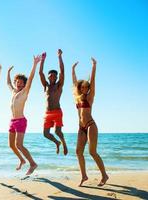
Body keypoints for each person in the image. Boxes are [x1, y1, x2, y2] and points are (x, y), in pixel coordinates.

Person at [72, 57, 108, 186]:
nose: (85, 88)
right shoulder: (77, 98)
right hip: (81, 127)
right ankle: (84, 176)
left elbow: (93, 81)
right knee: (78, 152)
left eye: (87, 87)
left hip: (90, 125)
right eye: (83, 87)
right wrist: (72, 70)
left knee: (92, 152)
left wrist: (94, 66)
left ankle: (104, 175)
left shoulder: (90, 97)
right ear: (80, 88)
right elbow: (74, 83)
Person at [7, 55, 41, 175]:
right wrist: (8, 72)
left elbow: (31, 78)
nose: (19, 85)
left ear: (24, 85)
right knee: (11, 145)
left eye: (22, 83)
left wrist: (35, 64)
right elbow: (8, 83)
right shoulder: (13, 91)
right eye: (18, 82)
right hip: (12, 121)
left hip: (21, 120)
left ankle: (32, 163)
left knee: (19, 144)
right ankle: (22, 160)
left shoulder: (24, 92)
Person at [39, 49, 68, 155]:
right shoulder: (46, 85)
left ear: (56, 77)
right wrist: (42, 60)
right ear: (48, 77)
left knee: (57, 131)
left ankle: (64, 143)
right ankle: (57, 143)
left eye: (54, 76)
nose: (52, 77)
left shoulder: (59, 85)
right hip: (47, 113)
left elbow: (62, 71)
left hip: (57, 112)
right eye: (50, 75)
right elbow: (40, 73)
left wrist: (59, 56)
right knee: (45, 134)